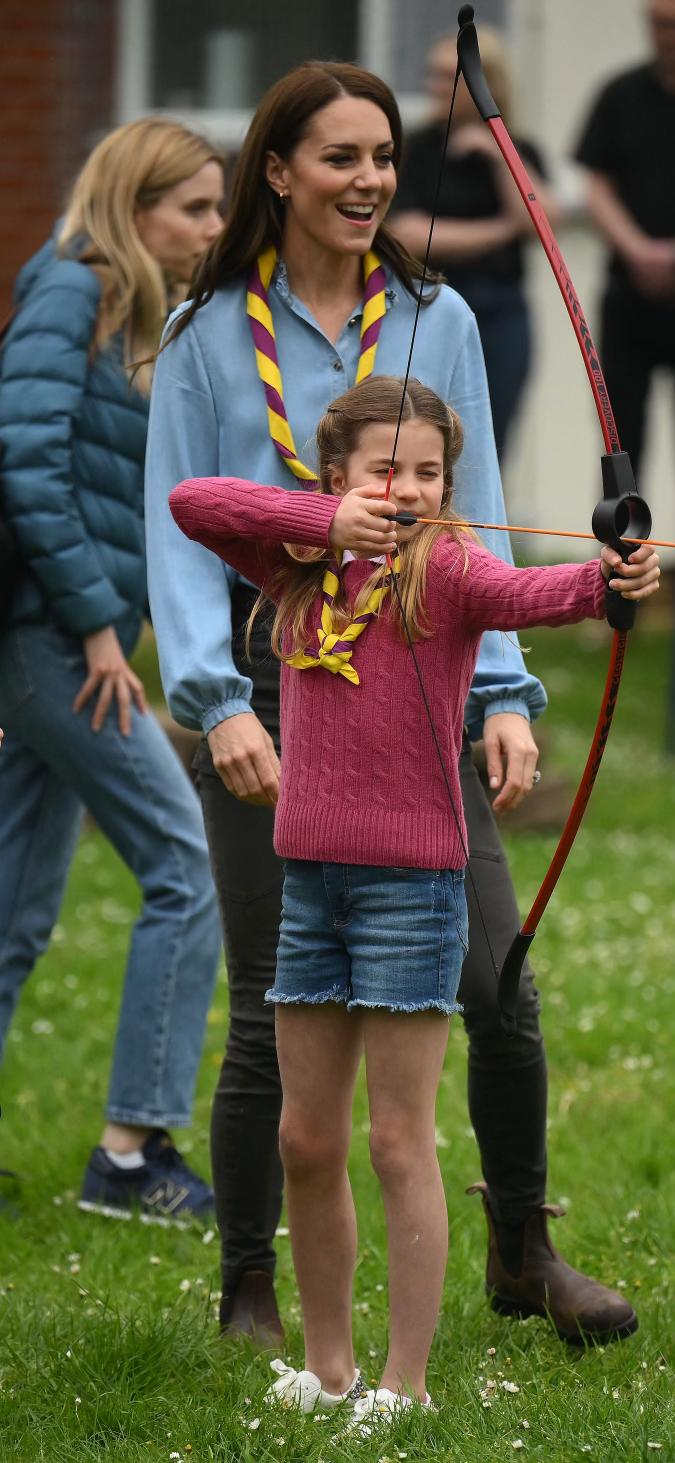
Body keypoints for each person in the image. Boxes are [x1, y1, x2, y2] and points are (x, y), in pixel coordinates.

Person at [145, 60, 641, 1348]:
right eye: (340, 159)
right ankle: (250, 1282)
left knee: (494, 975)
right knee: (273, 1000)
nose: (370, 181)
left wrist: (505, 691)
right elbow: (182, 523)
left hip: (426, 675)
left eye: (383, 160)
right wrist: (213, 699)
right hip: (271, 683)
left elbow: (466, 528)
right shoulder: (208, 335)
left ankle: (523, 1250)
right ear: (278, 172)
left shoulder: (440, 318)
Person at [167, 375, 661, 1423]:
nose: (410, 488)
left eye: (429, 472)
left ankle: (405, 1382)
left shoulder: (447, 572)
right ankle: (331, 1368)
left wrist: (611, 582)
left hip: (413, 892)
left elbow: (540, 595)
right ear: (339, 474)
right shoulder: (297, 564)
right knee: (308, 1136)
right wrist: (321, 520)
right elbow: (193, 503)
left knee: (397, 1137)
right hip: (314, 886)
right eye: (387, 469)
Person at [0, 119, 224, 1218]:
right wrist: (98, 623)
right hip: (54, 647)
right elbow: (25, 462)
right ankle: (130, 1157)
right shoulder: (71, 288)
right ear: (135, 208)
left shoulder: (129, 307)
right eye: (194, 208)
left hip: (53, 643)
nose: (213, 229)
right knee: (188, 869)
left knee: (11, 912)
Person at [575, 0, 675, 575]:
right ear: (650, 25)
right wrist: (639, 250)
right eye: (664, 24)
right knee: (623, 454)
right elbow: (596, 187)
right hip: (629, 303)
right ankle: (612, 575)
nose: (674, 36)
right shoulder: (619, 94)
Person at [391, 28, 560, 458]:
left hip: (501, 313)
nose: (436, 86)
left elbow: (541, 220)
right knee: (422, 436)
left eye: (450, 76)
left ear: (487, 83)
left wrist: (497, 154)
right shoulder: (417, 148)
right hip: (428, 305)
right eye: (433, 74)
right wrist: (503, 230)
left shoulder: (516, 150)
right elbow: (409, 235)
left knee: (490, 443)